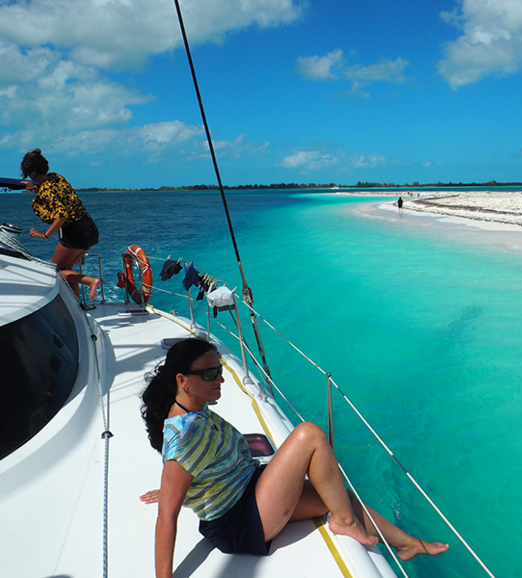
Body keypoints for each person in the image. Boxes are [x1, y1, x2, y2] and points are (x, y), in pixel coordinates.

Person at [140, 339, 448, 578]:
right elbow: (167, 515)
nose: (220, 378)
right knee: (309, 435)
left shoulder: (193, 407)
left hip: (249, 489)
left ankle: (405, 544)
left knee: (337, 495)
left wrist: (178, 490)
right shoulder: (185, 433)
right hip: (239, 521)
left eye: (219, 369)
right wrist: (171, 497)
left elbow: (189, 465)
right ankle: (345, 522)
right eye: (210, 374)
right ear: (182, 380)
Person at [20, 148, 101, 301]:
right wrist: (36, 188)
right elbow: (54, 192)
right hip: (89, 228)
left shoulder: (45, 191)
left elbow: (61, 215)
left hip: (75, 232)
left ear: (34, 172)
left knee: (54, 271)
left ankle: (90, 281)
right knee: (66, 270)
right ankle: (78, 304)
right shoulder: (56, 177)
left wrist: (44, 234)